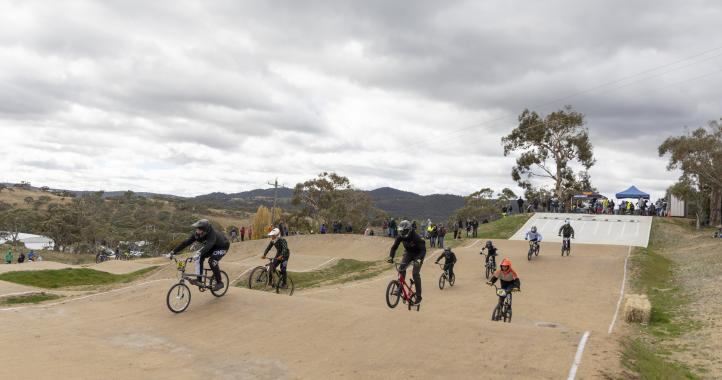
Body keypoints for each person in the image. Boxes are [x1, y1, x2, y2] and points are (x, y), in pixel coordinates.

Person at [169, 219, 229, 291]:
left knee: (212, 261)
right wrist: (173, 251)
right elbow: (185, 243)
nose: (197, 231)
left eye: (199, 229)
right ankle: (199, 279)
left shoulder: (212, 234)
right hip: (212, 247)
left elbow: (209, 245)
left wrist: (199, 252)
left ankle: (219, 282)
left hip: (222, 246)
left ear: (205, 230)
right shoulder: (197, 234)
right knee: (199, 258)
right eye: (197, 229)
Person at [387, 220, 426, 304]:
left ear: (409, 230)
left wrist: (418, 260)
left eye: (404, 231)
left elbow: (423, 250)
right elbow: (394, 247)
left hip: (418, 254)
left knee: (415, 274)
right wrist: (391, 257)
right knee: (401, 268)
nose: (402, 232)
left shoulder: (416, 237)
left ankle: (419, 297)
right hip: (408, 253)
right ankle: (399, 289)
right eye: (400, 231)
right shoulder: (400, 236)